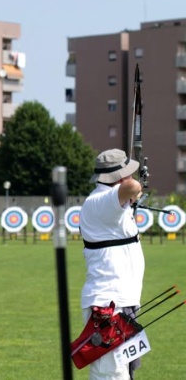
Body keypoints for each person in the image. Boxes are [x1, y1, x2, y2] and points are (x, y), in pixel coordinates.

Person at [79, 148, 144, 380]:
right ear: (118, 177)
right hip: (108, 306)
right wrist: (132, 188)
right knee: (110, 374)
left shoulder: (110, 203)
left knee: (124, 371)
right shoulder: (101, 200)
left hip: (121, 301)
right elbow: (132, 187)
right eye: (127, 172)